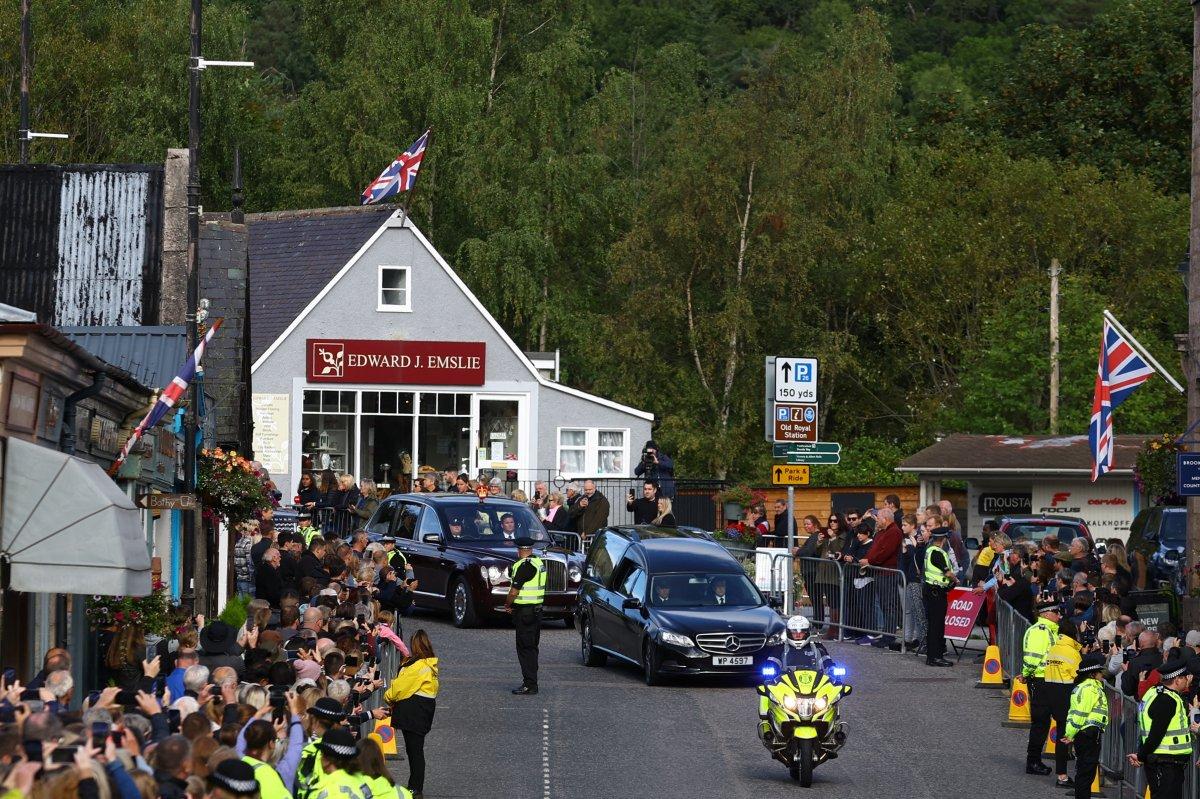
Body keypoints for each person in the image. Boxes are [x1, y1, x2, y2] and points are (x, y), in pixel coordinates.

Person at [1129, 657, 1193, 799]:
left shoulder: (1155, 692)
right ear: (1177, 680)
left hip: (1164, 763)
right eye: (1184, 678)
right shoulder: (1167, 700)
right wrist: (1141, 755)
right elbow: (1156, 734)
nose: (1186, 681)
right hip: (1165, 765)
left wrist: (1141, 754)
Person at [385, 630, 438, 799]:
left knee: (414, 751)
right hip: (424, 710)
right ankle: (415, 786)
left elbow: (400, 687)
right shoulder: (429, 664)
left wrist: (388, 697)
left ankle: (415, 788)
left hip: (414, 711)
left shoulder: (417, 666)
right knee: (415, 750)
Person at [1023, 592, 1064, 776]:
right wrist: (1026, 675)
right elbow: (1033, 658)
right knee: (1040, 723)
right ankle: (1033, 761)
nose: (1059, 615)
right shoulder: (1040, 631)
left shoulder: (1050, 631)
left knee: (1044, 723)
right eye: (1056, 612)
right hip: (1040, 681)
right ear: (1047, 614)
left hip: (1049, 681)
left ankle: (1035, 760)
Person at [1058, 653, 1108, 799]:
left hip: (1086, 734)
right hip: (1088, 734)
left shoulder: (1085, 687)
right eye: (1099, 672)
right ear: (1092, 674)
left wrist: (1071, 733)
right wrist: (1070, 735)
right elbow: (1080, 714)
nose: (1101, 674)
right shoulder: (1090, 688)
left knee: (1085, 772)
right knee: (1086, 774)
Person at [1043, 619, 1082, 788]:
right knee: (1074, 736)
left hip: (1052, 695)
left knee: (1061, 737)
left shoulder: (1053, 648)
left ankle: (1062, 775)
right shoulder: (1072, 653)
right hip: (1068, 696)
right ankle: (1075, 775)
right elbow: (1080, 675)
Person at [505, 537, 546, 695]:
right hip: (536, 611)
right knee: (532, 647)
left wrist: (508, 604)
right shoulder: (538, 563)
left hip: (525, 614)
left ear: (520, 550)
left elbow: (514, 592)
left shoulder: (524, 566)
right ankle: (531, 681)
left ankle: (530, 684)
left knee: (525, 649)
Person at [922, 527, 955, 667]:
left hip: (931, 590)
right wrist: (955, 579)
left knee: (934, 625)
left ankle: (932, 656)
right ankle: (936, 657)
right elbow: (947, 573)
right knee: (937, 625)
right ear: (944, 539)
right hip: (936, 592)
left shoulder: (929, 550)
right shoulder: (937, 552)